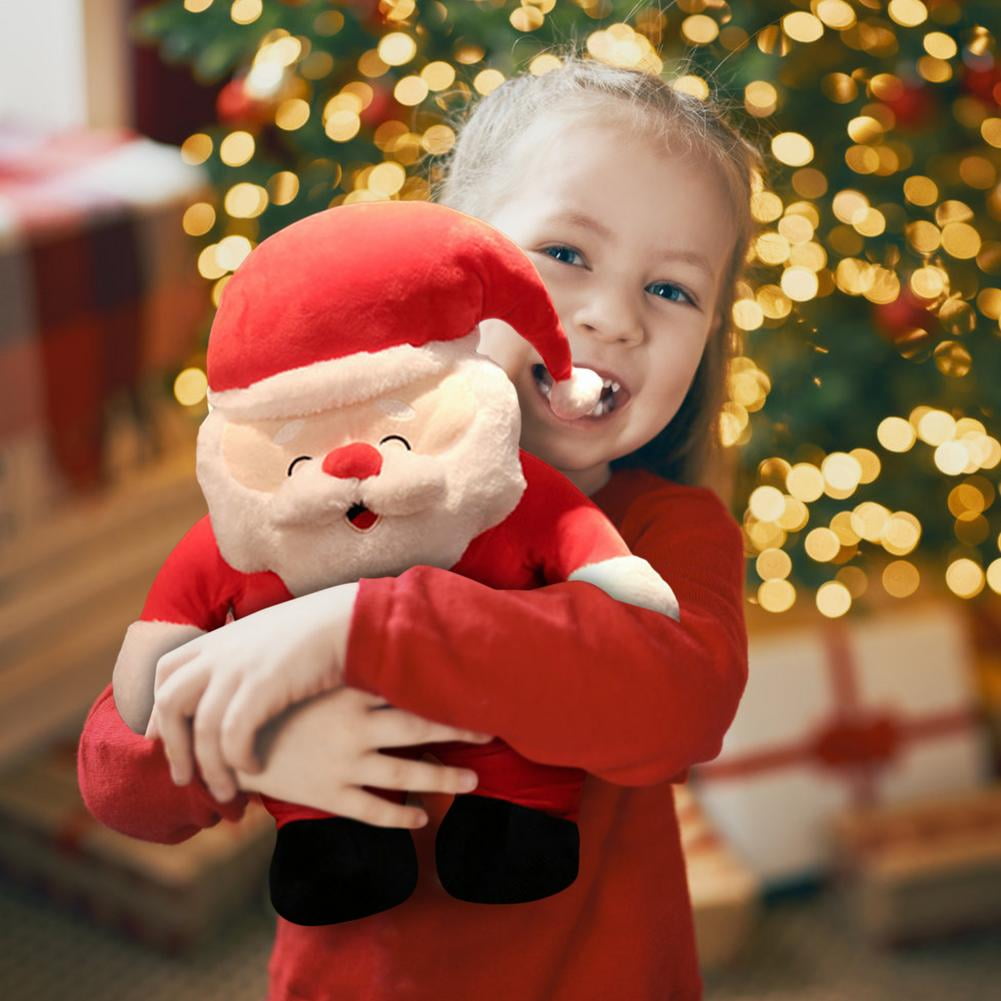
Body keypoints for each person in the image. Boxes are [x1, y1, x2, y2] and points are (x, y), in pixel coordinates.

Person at [78, 51, 760, 1000]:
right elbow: (117, 770)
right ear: (449, 263)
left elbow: (675, 704)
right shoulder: (314, 497)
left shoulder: (667, 529)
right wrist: (262, 742)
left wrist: (351, 627)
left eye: (673, 289)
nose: (611, 318)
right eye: (564, 254)